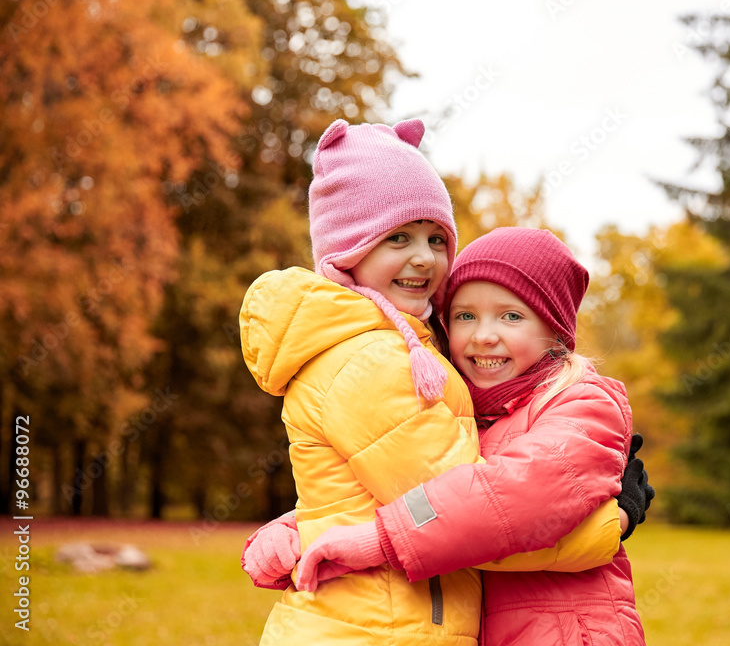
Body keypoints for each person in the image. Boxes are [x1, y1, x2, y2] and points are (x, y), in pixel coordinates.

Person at [238, 119, 648, 645]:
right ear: (346, 249)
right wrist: (610, 524)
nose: (423, 257)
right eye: (466, 316)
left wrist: (315, 527)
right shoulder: (372, 360)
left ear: (555, 331)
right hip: (377, 628)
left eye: (436, 239)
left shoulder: (564, 397)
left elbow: (414, 494)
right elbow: (466, 507)